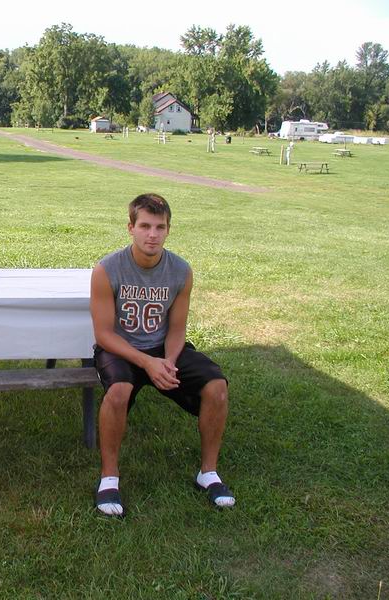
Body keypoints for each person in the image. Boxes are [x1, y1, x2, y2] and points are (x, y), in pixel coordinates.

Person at [89, 193, 235, 517]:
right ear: (130, 228)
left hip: (162, 348)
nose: (152, 234)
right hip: (121, 347)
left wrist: (167, 362)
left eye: (160, 227)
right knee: (118, 391)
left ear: (169, 229)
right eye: (145, 226)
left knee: (217, 386)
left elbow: (177, 329)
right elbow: (104, 334)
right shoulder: (107, 269)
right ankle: (109, 478)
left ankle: (208, 472)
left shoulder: (180, 270)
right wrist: (146, 362)